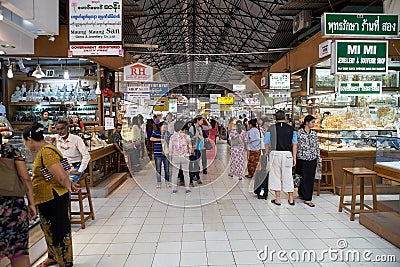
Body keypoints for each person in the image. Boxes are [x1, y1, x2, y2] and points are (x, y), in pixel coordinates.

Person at [22, 122, 79, 267]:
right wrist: (69, 183)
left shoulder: (46, 151)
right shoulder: (48, 149)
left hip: (52, 197)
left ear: (29, 140)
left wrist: (68, 185)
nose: (25, 145)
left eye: (24, 142)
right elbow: (54, 171)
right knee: (49, 229)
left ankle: (65, 261)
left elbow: (60, 175)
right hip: (49, 195)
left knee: (58, 229)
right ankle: (53, 256)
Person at [0, 143, 36, 267]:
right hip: (14, 210)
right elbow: (25, 178)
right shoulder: (9, 150)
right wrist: (31, 203)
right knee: (18, 254)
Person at [264, 110, 298, 206]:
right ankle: (291, 198)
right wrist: (294, 157)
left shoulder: (271, 128)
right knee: (288, 176)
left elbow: (267, 142)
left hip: (274, 153)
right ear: (285, 118)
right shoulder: (292, 129)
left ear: (275, 118)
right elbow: (294, 144)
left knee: (275, 175)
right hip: (287, 154)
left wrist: (266, 154)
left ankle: (278, 199)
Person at [296, 115, 322, 207]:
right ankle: (301, 193)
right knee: (302, 177)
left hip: (312, 158)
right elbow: (295, 146)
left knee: (309, 178)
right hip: (302, 158)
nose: (313, 124)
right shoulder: (299, 133)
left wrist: (319, 159)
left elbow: (316, 147)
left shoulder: (314, 134)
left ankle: (308, 198)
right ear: (307, 122)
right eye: (312, 122)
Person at [169, 120, 192, 194]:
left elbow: (170, 148)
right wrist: (190, 152)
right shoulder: (187, 136)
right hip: (185, 156)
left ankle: (174, 189)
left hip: (175, 157)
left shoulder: (172, 137)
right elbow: (190, 146)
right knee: (186, 173)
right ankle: (187, 189)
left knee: (175, 173)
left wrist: (170, 156)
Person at [150, 121, 170, 188]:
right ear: (160, 126)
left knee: (167, 169)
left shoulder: (167, 133)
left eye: (166, 127)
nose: (165, 128)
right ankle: (158, 183)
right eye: (164, 127)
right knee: (158, 169)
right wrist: (161, 139)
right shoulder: (156, 132)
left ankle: (167, 182)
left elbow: (170, 141)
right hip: (158, 154)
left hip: (166, 154)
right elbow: (151, 139)